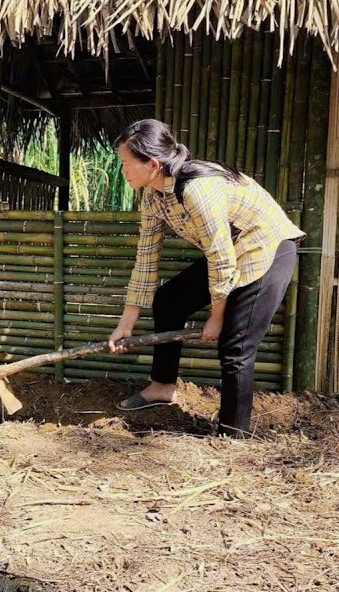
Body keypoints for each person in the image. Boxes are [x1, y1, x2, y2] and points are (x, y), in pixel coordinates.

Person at [107, 119, 304, 435]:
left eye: (126, 164)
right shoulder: (153, 197)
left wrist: (217, 316)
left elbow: (221, 259)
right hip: (231, 249)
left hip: (267, 246)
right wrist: (125, 324)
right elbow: (146, 258)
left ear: (153, 165)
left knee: (235, 347)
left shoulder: (199, 191)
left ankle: (232, 435)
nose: (123, 171)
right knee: (169, 301)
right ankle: (162, 387)